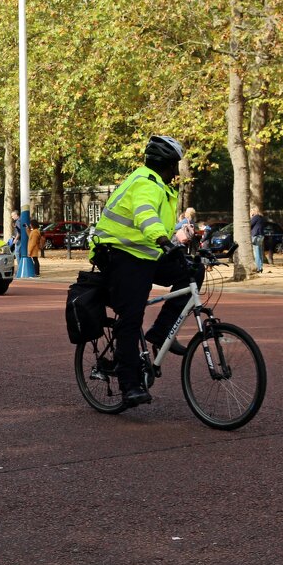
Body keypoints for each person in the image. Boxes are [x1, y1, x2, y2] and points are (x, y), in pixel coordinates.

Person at [90, 135, 197, 409]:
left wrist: (179, 244)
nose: (176, 172)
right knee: (131, 316)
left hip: (146, 255)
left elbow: (157, 224)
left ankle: (161, 333)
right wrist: (164, 242)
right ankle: (130, 386)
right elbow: (145, 215)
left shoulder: (161, 187)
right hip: (120, 255)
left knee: (192, 272)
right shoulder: (144, 183)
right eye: (174, 166)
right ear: (164, 164)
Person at [250, 207, 265, 273]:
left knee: (257, 253)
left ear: (254, 211)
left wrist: (251, 217)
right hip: (261, 235)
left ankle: (258, 268)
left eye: (251, 211)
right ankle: (260, 267)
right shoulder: (261, 217)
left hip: (256, 236)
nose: (250, 212)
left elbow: (249, 224)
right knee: (260, 252)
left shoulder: (255, 217)